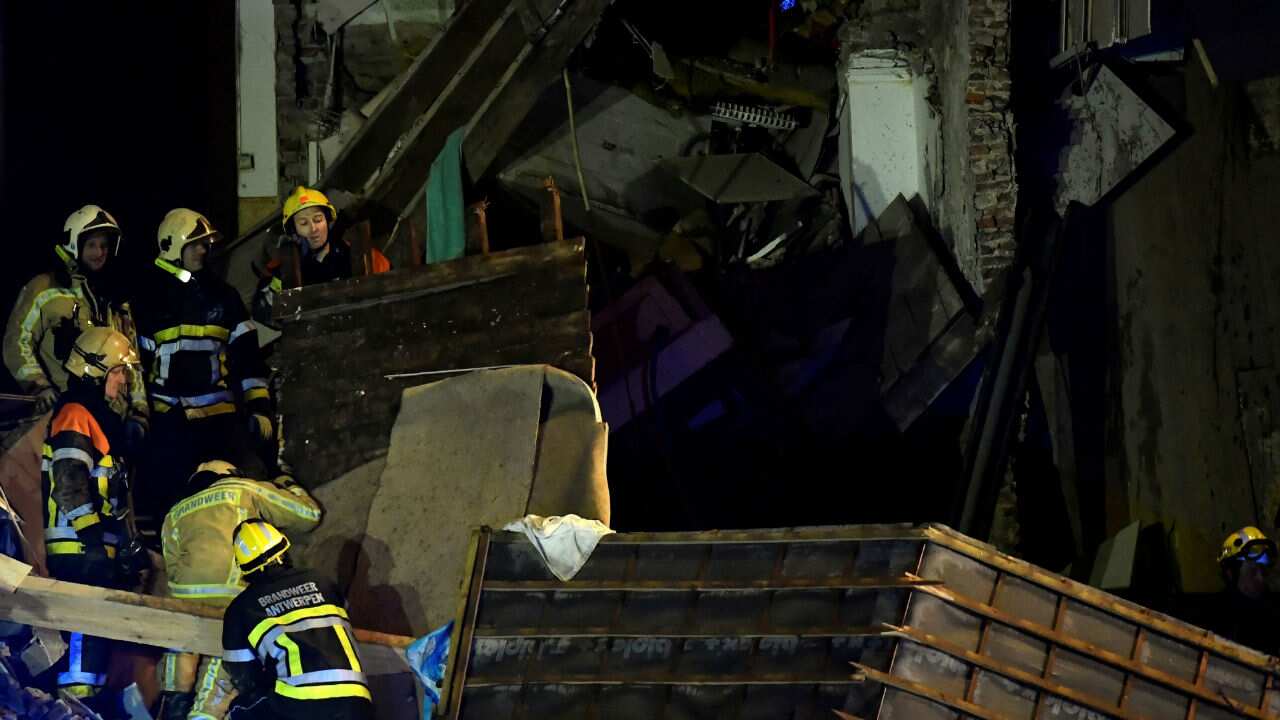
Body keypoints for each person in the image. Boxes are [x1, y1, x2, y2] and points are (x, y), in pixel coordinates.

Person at [133, 209, 274, 516]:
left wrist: (260, 408)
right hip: (170, 420)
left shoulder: (224, 297)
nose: (203, 250)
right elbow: (136, 369)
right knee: (169, 502)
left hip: (219, 417)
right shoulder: (147, 301)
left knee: (250, 484)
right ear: (173, 246)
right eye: (195, 243)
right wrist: (140, 417)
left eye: (205, 243)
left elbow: (248, 358)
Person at [156, 460, 321, 720]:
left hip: (186, 597)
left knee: (180, 647)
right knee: (222, 664)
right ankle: (204, 715)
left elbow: (171, 566)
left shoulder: (175, 513)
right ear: (230, 473)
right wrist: (288, 484)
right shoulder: (243, 488)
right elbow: (308, 516)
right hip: (233, 594)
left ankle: (172, 703)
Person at [41, 327, 147, 701]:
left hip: (94, 547)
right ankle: (74, 707)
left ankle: (87, 703)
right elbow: (70, 485)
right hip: (77, 547)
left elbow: (110, 495)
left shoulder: (100, 419)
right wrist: (92, 543)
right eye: (118, 372)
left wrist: (123, 544)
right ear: (94, 370)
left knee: (95, 644)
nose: (123, 380)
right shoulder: (74, 415)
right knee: (82, 646)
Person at [4, 205, 149, 436]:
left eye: (104, 246)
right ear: (74, 243)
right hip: (62, 417)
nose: (99, 252)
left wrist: (139, 412)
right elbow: (17, 341)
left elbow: (133, 361)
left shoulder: (115, 300)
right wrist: (39, 385)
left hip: (111, 420)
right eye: (91, 245)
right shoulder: (45, 289)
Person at [221, 519, 372, 719]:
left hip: (300, 704)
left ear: (243, 568)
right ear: (285, 549)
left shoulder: (241, 608)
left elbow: (244, 676)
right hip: (358, 700)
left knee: (240, 710)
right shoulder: (322, 580)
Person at [1216, 526, 1280, 655]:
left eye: (1263, 571)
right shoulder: (1219, 618)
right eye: (1252, 572)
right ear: (1231, 574)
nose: (1260, 578)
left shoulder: (1272, 613)